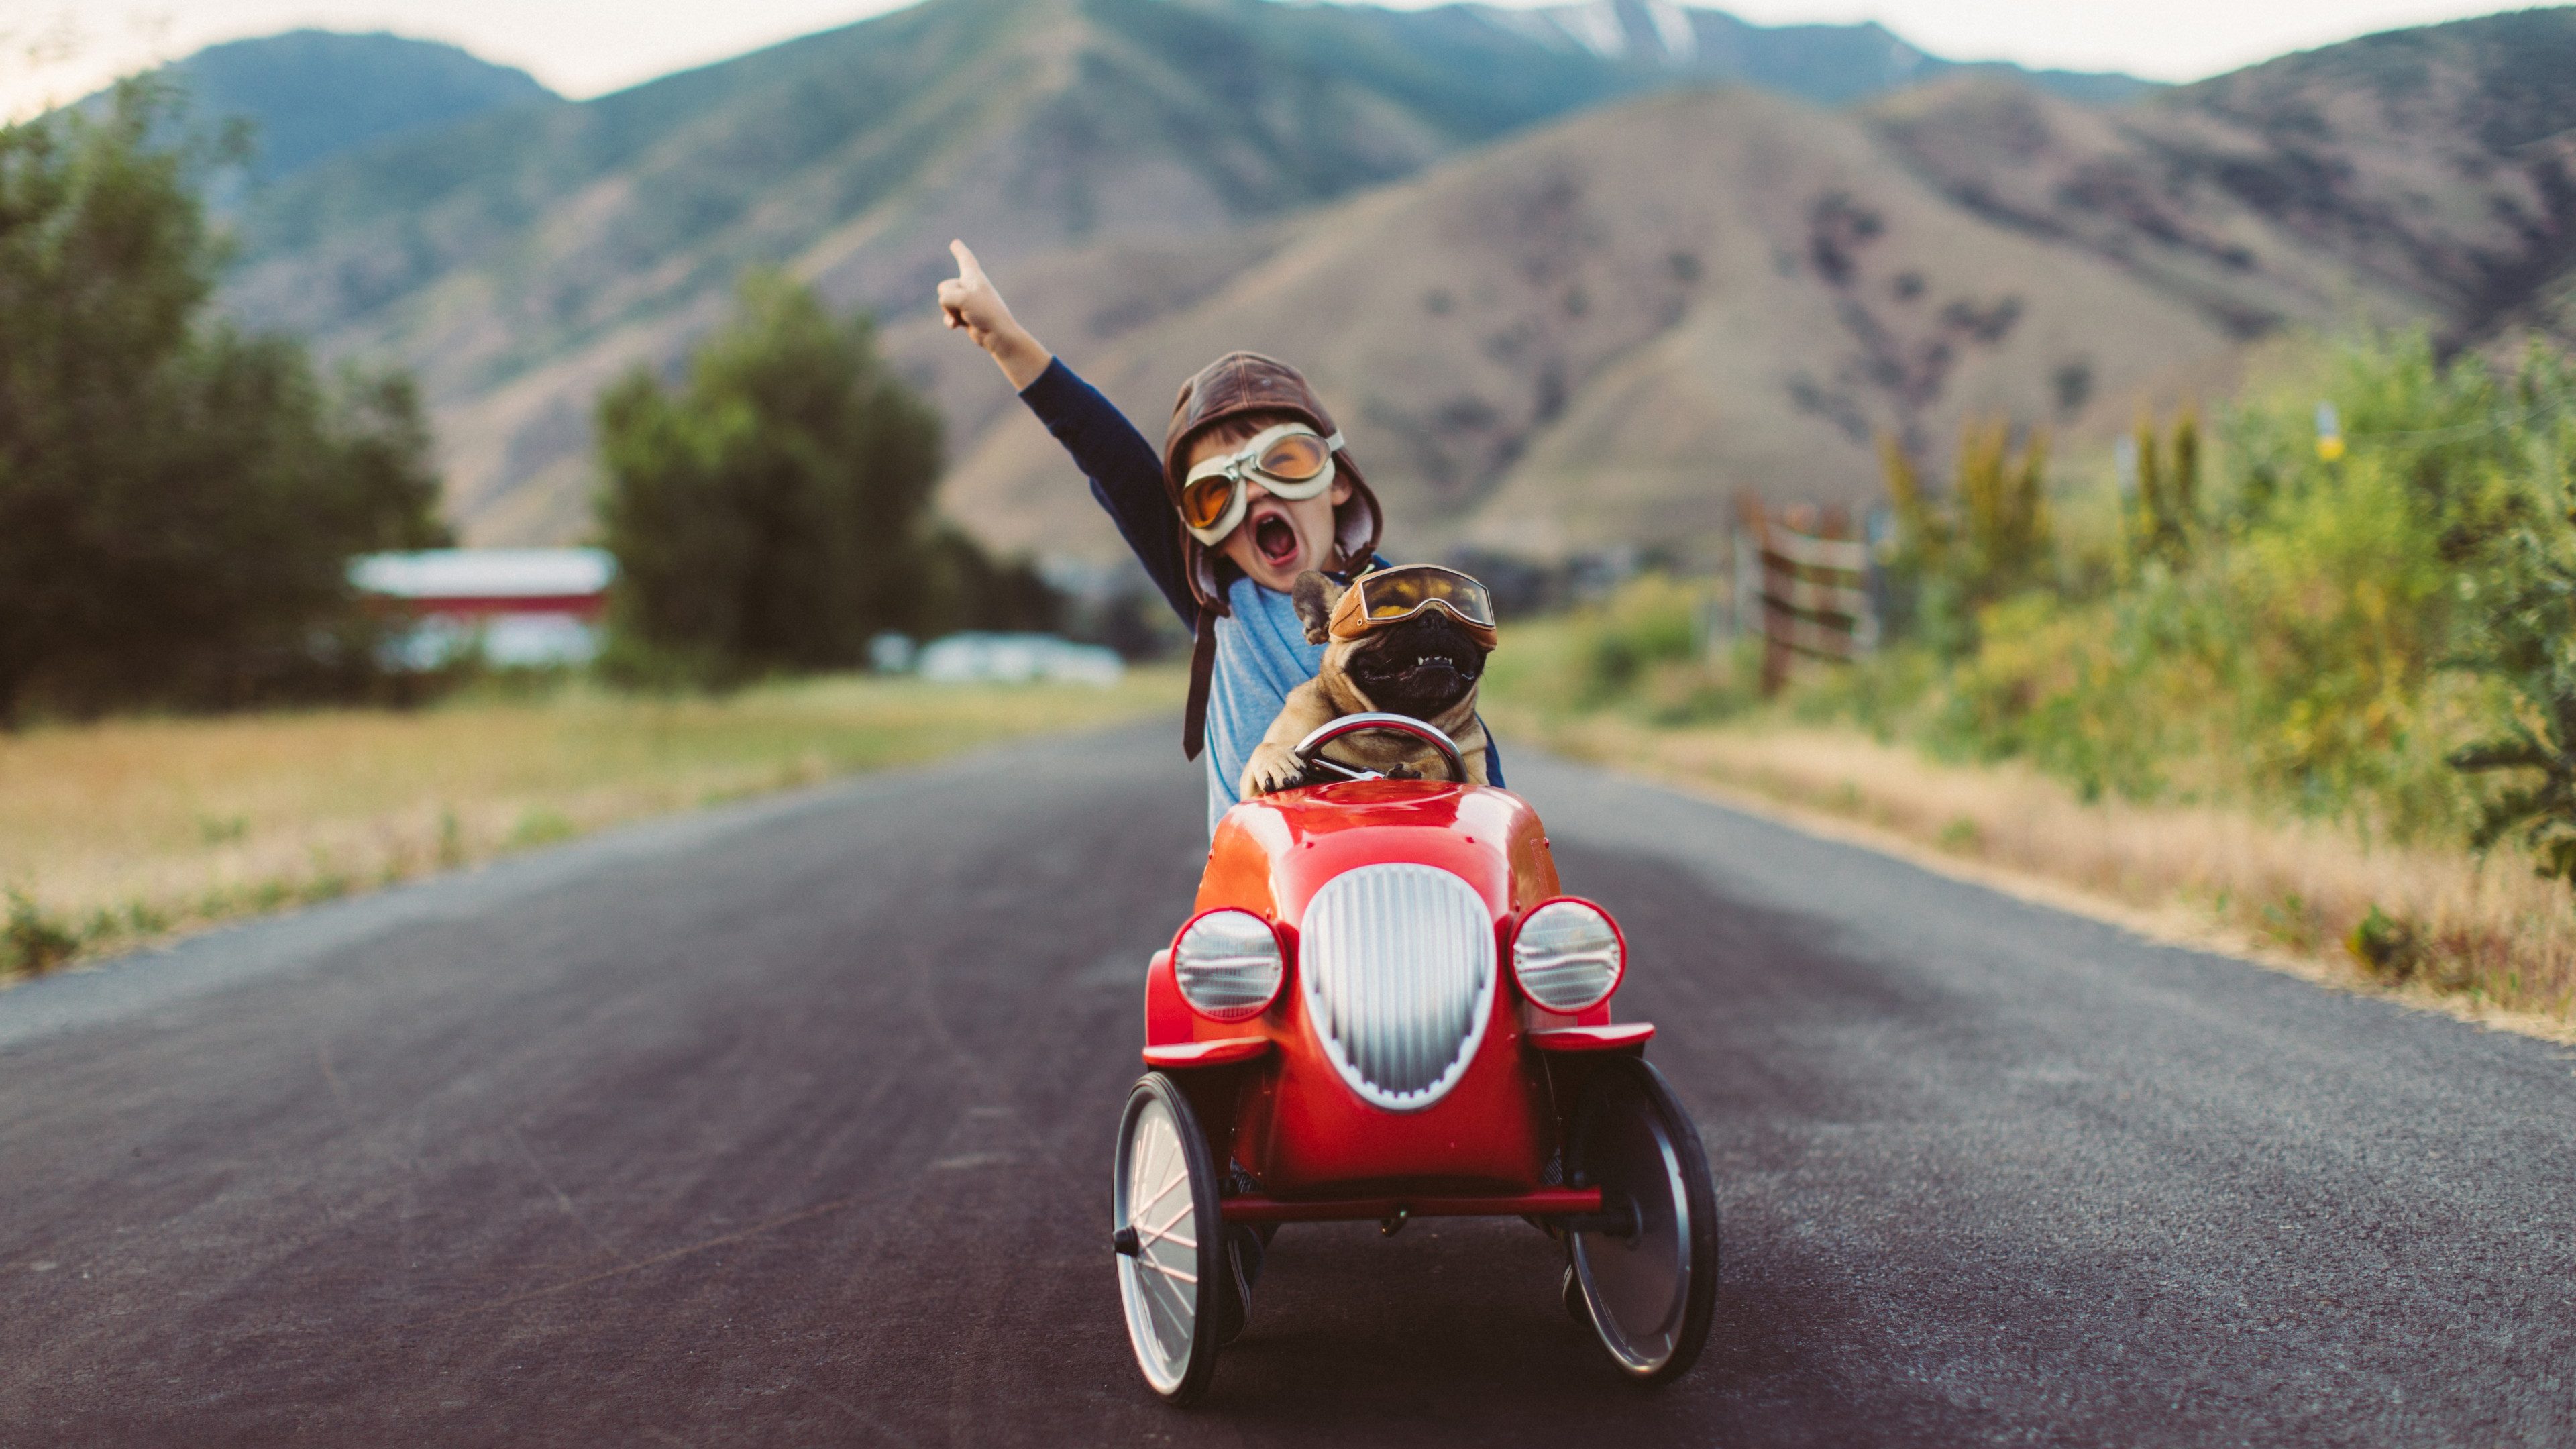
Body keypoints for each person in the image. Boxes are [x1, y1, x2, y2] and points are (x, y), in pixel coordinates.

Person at [936, 240, 1501, 833]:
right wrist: (1004, 338)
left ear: (1337, 480)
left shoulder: (1406, 607)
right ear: (1202, 530)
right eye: (1215, 493)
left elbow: (1469, 750)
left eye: (1284, 462)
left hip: (1410, 867)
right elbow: (1114, 462)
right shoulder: (1222, 601)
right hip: (1262, 900)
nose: (1255, 494)